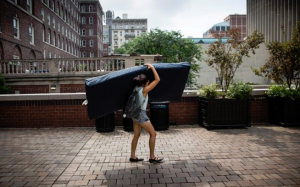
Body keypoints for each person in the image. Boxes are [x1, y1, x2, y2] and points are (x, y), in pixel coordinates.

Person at [130, 63, 164, 164]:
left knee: (136, 135)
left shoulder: (135, 89)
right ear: (144, 83)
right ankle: (152, 157)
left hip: (134, 114)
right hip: (140, 114)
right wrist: (153, 67)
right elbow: (157, 80)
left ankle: (132, 156)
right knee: (153, 134)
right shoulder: (144, 90)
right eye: (148, 82)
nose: (149, 83)